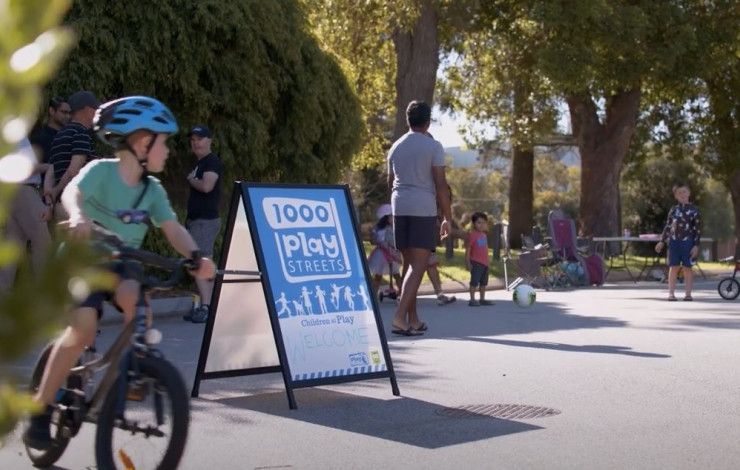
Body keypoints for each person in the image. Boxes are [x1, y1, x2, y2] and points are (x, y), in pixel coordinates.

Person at [23, 96, 216, 450]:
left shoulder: (151, 190)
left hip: (122, 263)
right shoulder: (101, 171)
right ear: (142, 142)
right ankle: (40, 407)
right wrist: (79, 217)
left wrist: (196, 256)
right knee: (80, 330)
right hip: (85, 260)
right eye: (164, 142)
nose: (170, 151)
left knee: (139, 308)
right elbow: (72, 193)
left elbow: (171, 227)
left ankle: (135, 369)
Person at [387, 101, 452, 336]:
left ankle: (413, 319)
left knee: (409, 266)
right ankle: (398, 317)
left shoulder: (395, 147)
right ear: (428, 122)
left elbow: (389, 182)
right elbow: (441, 186)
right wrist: (447, 217)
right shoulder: (433, 146)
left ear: (408, 120)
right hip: (422, 209)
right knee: (419, 265)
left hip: (399, 208)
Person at [182, 125, 223, 324]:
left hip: (205, 221)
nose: (196, 142)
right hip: (197, 221)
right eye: (193, 140)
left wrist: (191, 180)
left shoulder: (211, 161)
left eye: (200, 139)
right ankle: (202, 305)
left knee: (201, 263)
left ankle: (208, 308)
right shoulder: (201, 163)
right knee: (197, 263)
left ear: (210, 140)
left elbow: (207, 186)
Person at [0, 138, 52, 293]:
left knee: (14, 245)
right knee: (42, 242)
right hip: (22, 188)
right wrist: (48, 167)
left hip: (12, 191)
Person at [48, 90, 100, 221]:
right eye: (95, 110)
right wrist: (56, 190)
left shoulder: (59, 135)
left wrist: (52, 196)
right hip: (78, 206)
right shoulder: (80, 133)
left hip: (60, 207)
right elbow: (74, 169)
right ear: (88, 110)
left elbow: (52, 170)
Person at [655, 183, 701, 301]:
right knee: (673, 267)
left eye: (684, 192)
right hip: (674, 242)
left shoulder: (694, 210)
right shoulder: (673, 210)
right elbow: (668, 226)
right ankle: (671, 293)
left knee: (687, 268)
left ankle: (688, 294)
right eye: (679, 193)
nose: (682, 195)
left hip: (688, 243)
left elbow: (697, 229)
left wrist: (696, 245)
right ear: (675, 196)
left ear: (689, 193)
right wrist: (662, 241)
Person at [367, 203, 403, 299]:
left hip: (391, 253)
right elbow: (377, 241)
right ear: (385, 218)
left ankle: (402, 292)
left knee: (396, 274)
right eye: (391, 216)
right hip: (382, 254)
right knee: (378, 276)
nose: (393, 219)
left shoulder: (392, 229)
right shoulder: (379, 230)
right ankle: (373, 296)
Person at [465, 212, 493, 306]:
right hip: (476, 262)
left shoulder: (484, 235)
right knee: (474, 282)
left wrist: (488, 260)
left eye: (484, 222)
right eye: (479, 222)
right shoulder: (472, 235)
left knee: (483, 283)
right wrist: (468, 262)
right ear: (474, 224)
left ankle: (482, 299)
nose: (481, 225)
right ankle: (472, 299)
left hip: (485, 263)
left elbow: (485, 249)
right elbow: (468, 249)